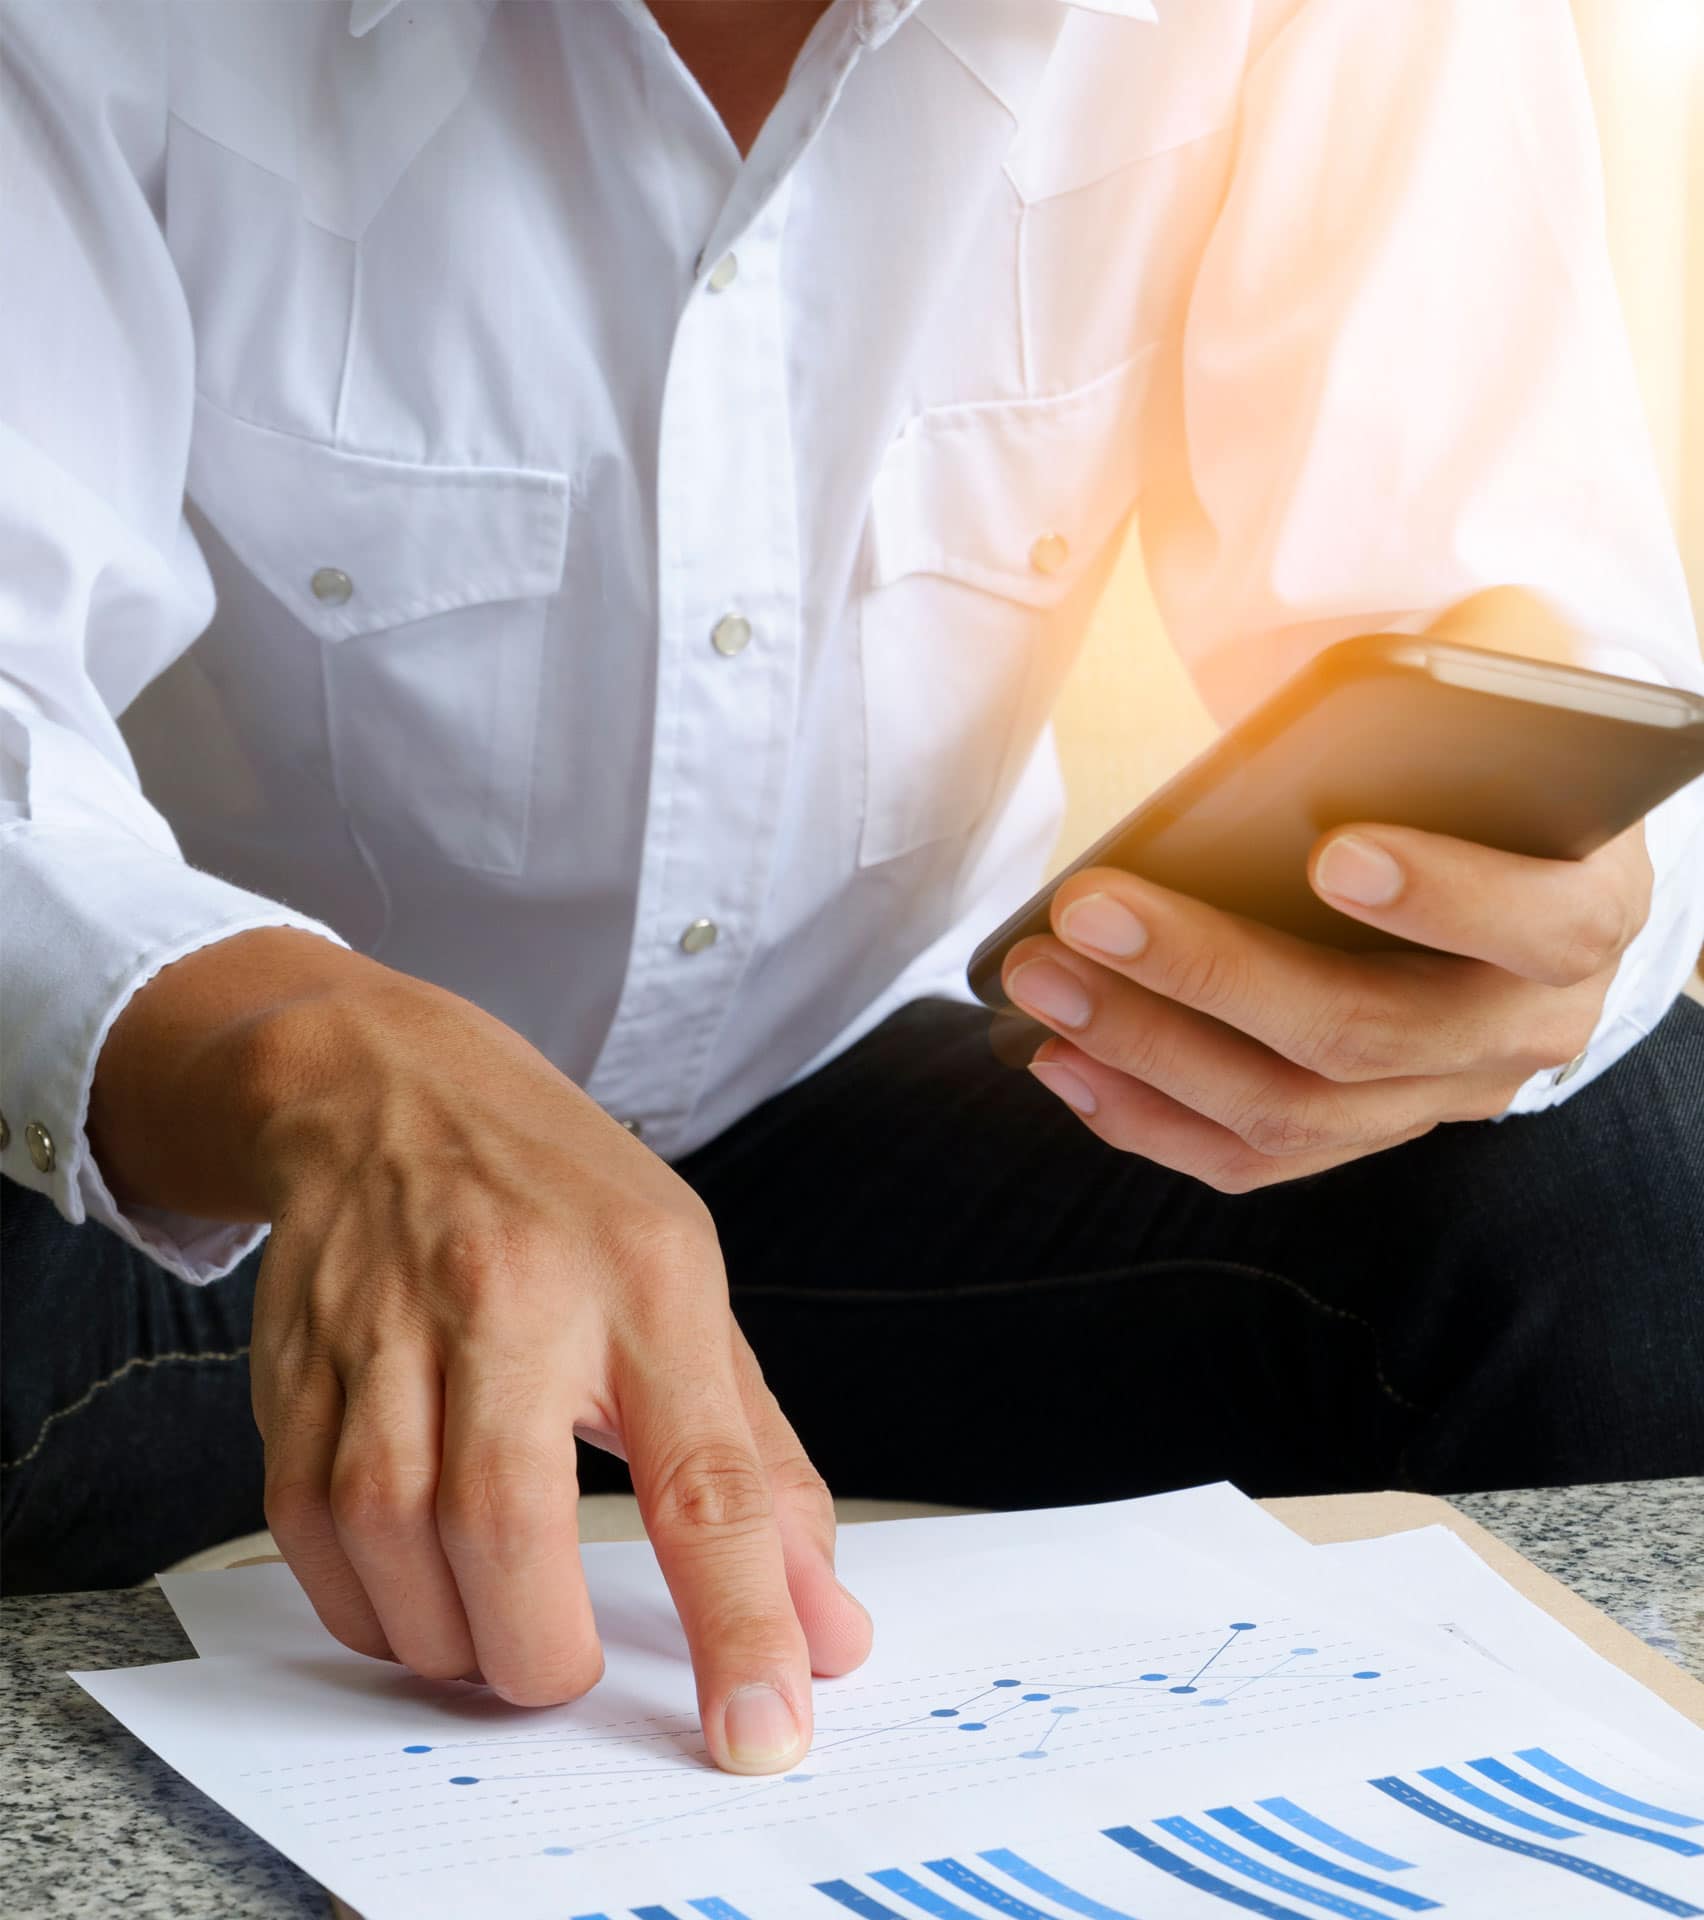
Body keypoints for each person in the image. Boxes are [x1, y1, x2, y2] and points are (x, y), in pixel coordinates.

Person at [3, 0, 1701, 1780]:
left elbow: (1511, 626)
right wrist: (317, 1061)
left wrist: (1524, 942)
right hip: (230, 1161)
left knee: (1629, 1176)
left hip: (875, 1092)